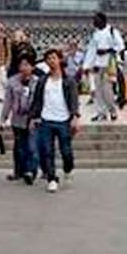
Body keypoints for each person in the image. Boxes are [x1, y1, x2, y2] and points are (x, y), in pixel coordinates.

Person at [29, 49, 81, 193]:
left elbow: (74, 100)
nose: (51, 61)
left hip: (63, 120)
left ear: (59, 60)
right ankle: (52, 179)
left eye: (53, 58)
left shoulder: (68, 80)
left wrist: (75, 117)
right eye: (48, 59)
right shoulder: (42, 81)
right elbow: (37, 101)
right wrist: (33, 118)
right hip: (46, 120)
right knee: (47, 151)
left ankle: (68, 169)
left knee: (66, 152)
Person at [0, 55, 40, 184]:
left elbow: (40, 101)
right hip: (17, 118)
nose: (24, 68)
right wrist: (3, 118)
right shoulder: (12, 82)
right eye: (22, 65)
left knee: (32, 146)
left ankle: (31, 171)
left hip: (33, 119)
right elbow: (8, 102)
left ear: (33, 67)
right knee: (19, 147)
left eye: (27, 65)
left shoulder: (38, 82)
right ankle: (19, 171)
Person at [83, 13, 124, 122]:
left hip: (108, 66)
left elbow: (120, 46)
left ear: (103, 20)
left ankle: (112, 110)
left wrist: (107, 50)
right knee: (97, 91)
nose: (94, 22)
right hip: (97, 66)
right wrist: (87, 66)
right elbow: (91, 51)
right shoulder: (95, 34)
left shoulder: (112, 32)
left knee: (107, 91)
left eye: (96, 20)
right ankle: (101, 113)